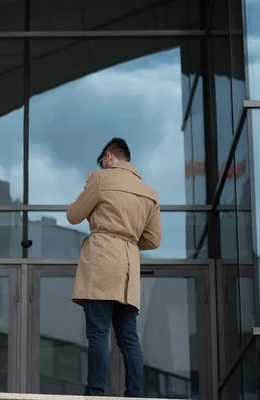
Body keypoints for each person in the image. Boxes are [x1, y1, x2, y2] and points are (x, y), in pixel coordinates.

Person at [67, 138, 162, 397]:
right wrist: (127, 239)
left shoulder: (100, 179)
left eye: (102, 162)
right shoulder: (149, 192)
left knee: (98, 331)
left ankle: (96, 392)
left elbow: (73, 215)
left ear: (108, 156)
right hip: (129, 266)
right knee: (128, 336)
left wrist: (89, 185)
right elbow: (154, 240)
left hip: (102, 260)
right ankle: (135, 394)